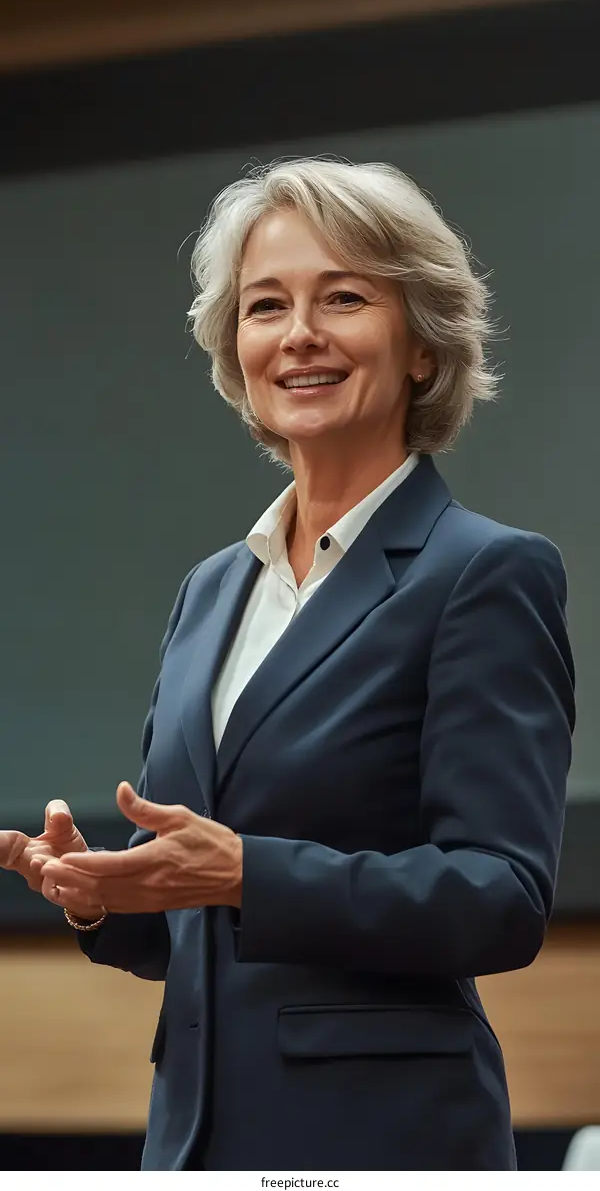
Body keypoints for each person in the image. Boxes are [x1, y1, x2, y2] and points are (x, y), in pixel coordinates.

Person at [0, 158, 575, 1171]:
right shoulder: (211, 591)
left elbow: (499, 896)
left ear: (424, 350)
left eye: (342, 297)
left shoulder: (486, 572)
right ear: (238, 351)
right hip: (194, 1140)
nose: (298, 332)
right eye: (267, 305)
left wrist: (244, 869)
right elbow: (200, 931)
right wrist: (106, 895)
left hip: (381, 1139)